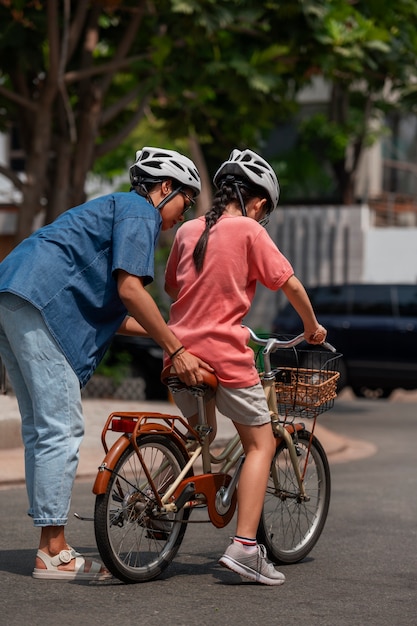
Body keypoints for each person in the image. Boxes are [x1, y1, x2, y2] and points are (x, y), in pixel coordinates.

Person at [0, 146, 212, 581]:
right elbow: (132, 291)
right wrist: (177, 349)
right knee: (61, 428)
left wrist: (175, 334)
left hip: (14, 293)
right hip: (40, 300)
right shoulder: (140, 212)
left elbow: (119, 316)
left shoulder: (113, 207)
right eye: (184, 201)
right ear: (165, 189)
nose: (181, 214)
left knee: (43, 428)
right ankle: (53, 552)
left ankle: (50, 544)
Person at [164, 148, 327, 586]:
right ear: (258, 203)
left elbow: (173, 286)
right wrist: (312, 328)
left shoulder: (187, 232)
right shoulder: (249, 231)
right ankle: (246, 548)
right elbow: (288, 282)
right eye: (265, 212)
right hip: (223, 354)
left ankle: (161, 506)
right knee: (260, 444)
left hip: (178, 353)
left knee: (202, 438)